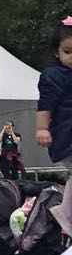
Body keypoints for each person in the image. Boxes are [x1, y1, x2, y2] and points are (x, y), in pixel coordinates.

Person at [35, 20, 72, 174]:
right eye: (68, 52)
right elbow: (45, 104)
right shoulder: (54, 75)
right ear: (57, 52)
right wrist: (42, 128)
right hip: (66, 135)